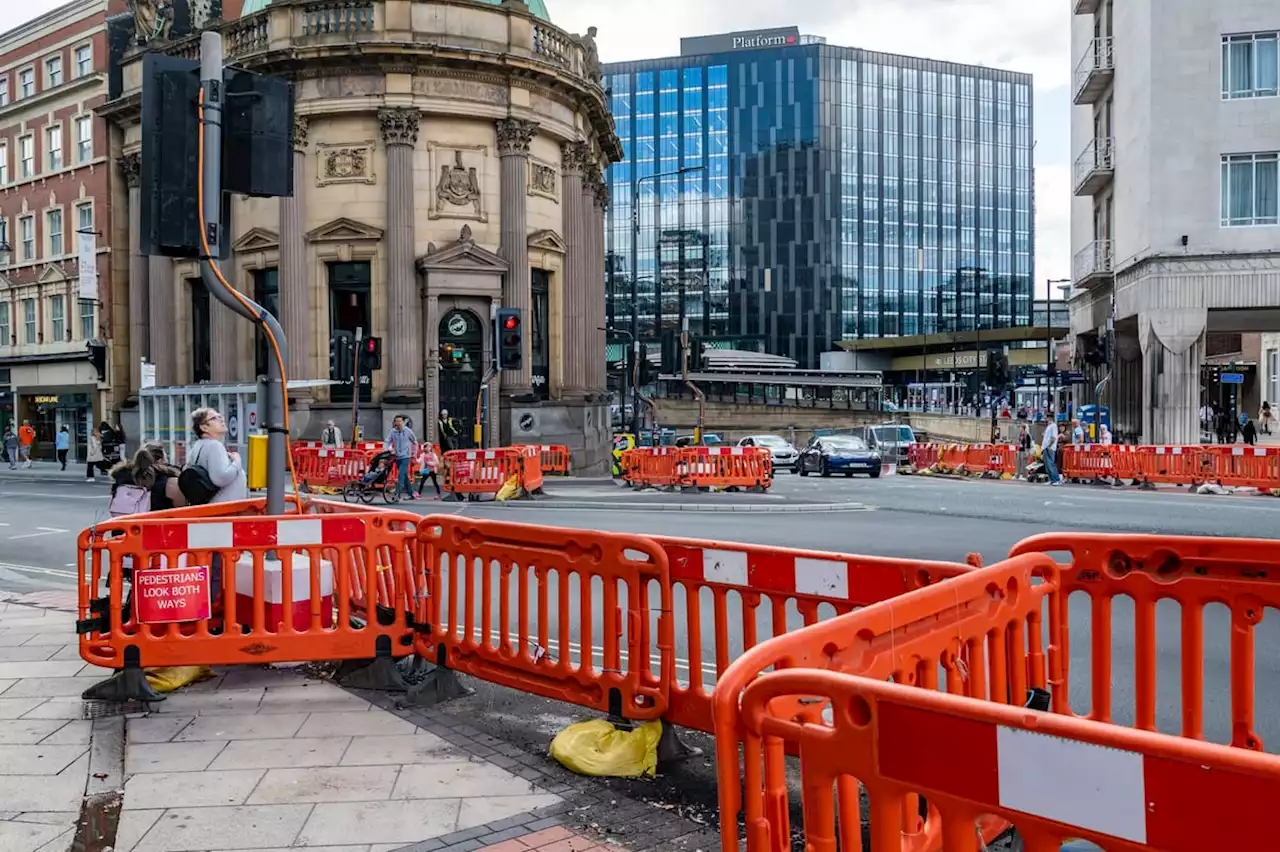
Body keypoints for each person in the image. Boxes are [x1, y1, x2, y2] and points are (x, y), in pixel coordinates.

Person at [187, 407, 248, 503]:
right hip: (224, 508)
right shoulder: (214, 445)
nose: (222, 419)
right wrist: (237, 462)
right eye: (215, 418)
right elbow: (220, 478)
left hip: (213, 506)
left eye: (220, 416)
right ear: (204, 427)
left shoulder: (198, 445)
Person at [110, 442, 186, 515]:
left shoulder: (122, 476)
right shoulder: (169, 480)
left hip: (123, 524)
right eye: (166, 459)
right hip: (157, 525)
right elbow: (182, 507)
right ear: (160, 461)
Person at [385, 415, 418, 500]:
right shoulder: (393, 431)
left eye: (400, 421)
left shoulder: (408, 431)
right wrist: (387, 449)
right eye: (396, 421)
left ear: (403, 422)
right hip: (397, 456)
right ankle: (411, 494)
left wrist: (414, 454)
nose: (398, 423)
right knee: (404, 475)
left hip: (406, 457)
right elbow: (387, 440)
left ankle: (397, 494)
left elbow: (415, 442)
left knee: (400, 475)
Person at [1041, 418, 1062, 486]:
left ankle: (1056, 479)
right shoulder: (1049, 426)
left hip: (1049, 448)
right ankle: (1051, 479)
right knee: (1047, 465)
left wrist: (1049, 446)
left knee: (1050, 464)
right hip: (1045, 447)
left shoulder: (1053, 426)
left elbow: (1053, 437)